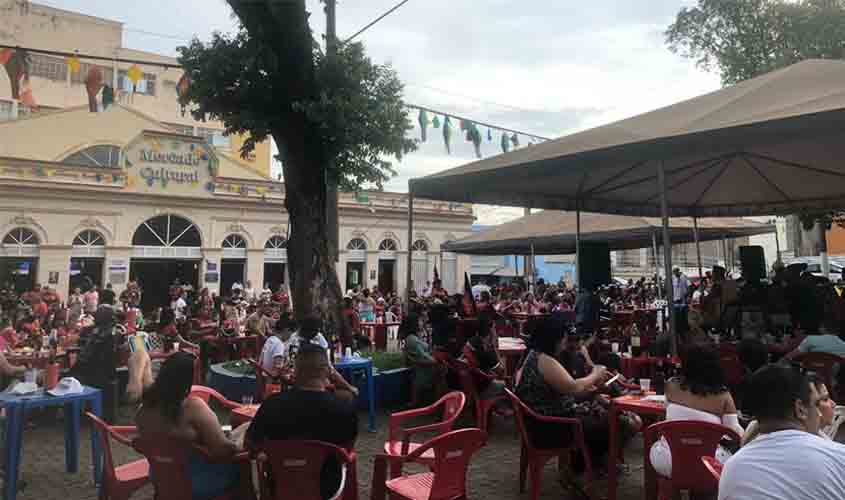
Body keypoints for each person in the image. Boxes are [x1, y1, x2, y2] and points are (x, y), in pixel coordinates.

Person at [246, 344, 358, 499]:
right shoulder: (344, 408)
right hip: (327, 489)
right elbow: (347, 450)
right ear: (327, 371)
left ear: (296, 371)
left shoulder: (272, 404)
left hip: (279, 487)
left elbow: (251, 446)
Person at [719, 364, 845, 500]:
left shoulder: (732, 469)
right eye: (815, 404)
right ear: (800, 409)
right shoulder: (838, 458)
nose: (819, 415)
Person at [136, 352, 249, 500]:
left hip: (162, 477)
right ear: (188, 378)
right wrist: (240, 442)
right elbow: (222, 450)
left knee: (243, 428)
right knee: (242, 464)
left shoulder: (144, 410)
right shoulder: (192, 407)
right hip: (194, 481)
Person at [515, 317, 611, 473]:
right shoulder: (544, 360)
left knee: (599, 415)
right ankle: (587, 466)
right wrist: (596, 373)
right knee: (611, 422)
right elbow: (573, 386)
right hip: (549, 428)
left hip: (541, 421)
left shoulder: (535, 354)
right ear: (554, 339)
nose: (565, 343)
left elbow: (568, 386)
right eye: (564, 339)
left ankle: (586, 465)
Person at [649, 344, 743, 478]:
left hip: (667, 459)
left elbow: (667, 417)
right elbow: (734, 433)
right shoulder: (723, 396)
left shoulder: (671, 386)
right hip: (708, 463)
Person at [286, 316, 359, 401]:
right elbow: (330, 371)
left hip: (293, 385)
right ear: (316, 331)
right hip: (312, 389)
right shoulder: (315, 341)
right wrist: (350, 387)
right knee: (347, 395)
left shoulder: (292, 338)